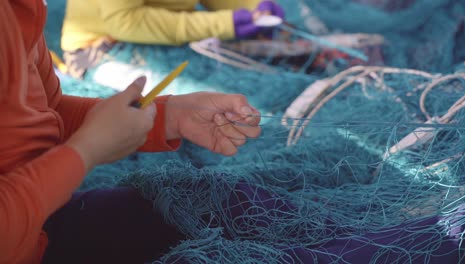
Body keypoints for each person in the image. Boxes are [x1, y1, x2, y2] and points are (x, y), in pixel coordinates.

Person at [0, 1, 261, 263]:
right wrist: (86, 150)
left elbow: (48, 110)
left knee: (230, 204)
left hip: (40, 224)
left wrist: (171, 115)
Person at [60, 0, 285, 79]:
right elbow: (125, 21)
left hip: (161, 39)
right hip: (97, 51)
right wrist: (226, 23)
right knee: (207, 106)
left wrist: (254, 8)